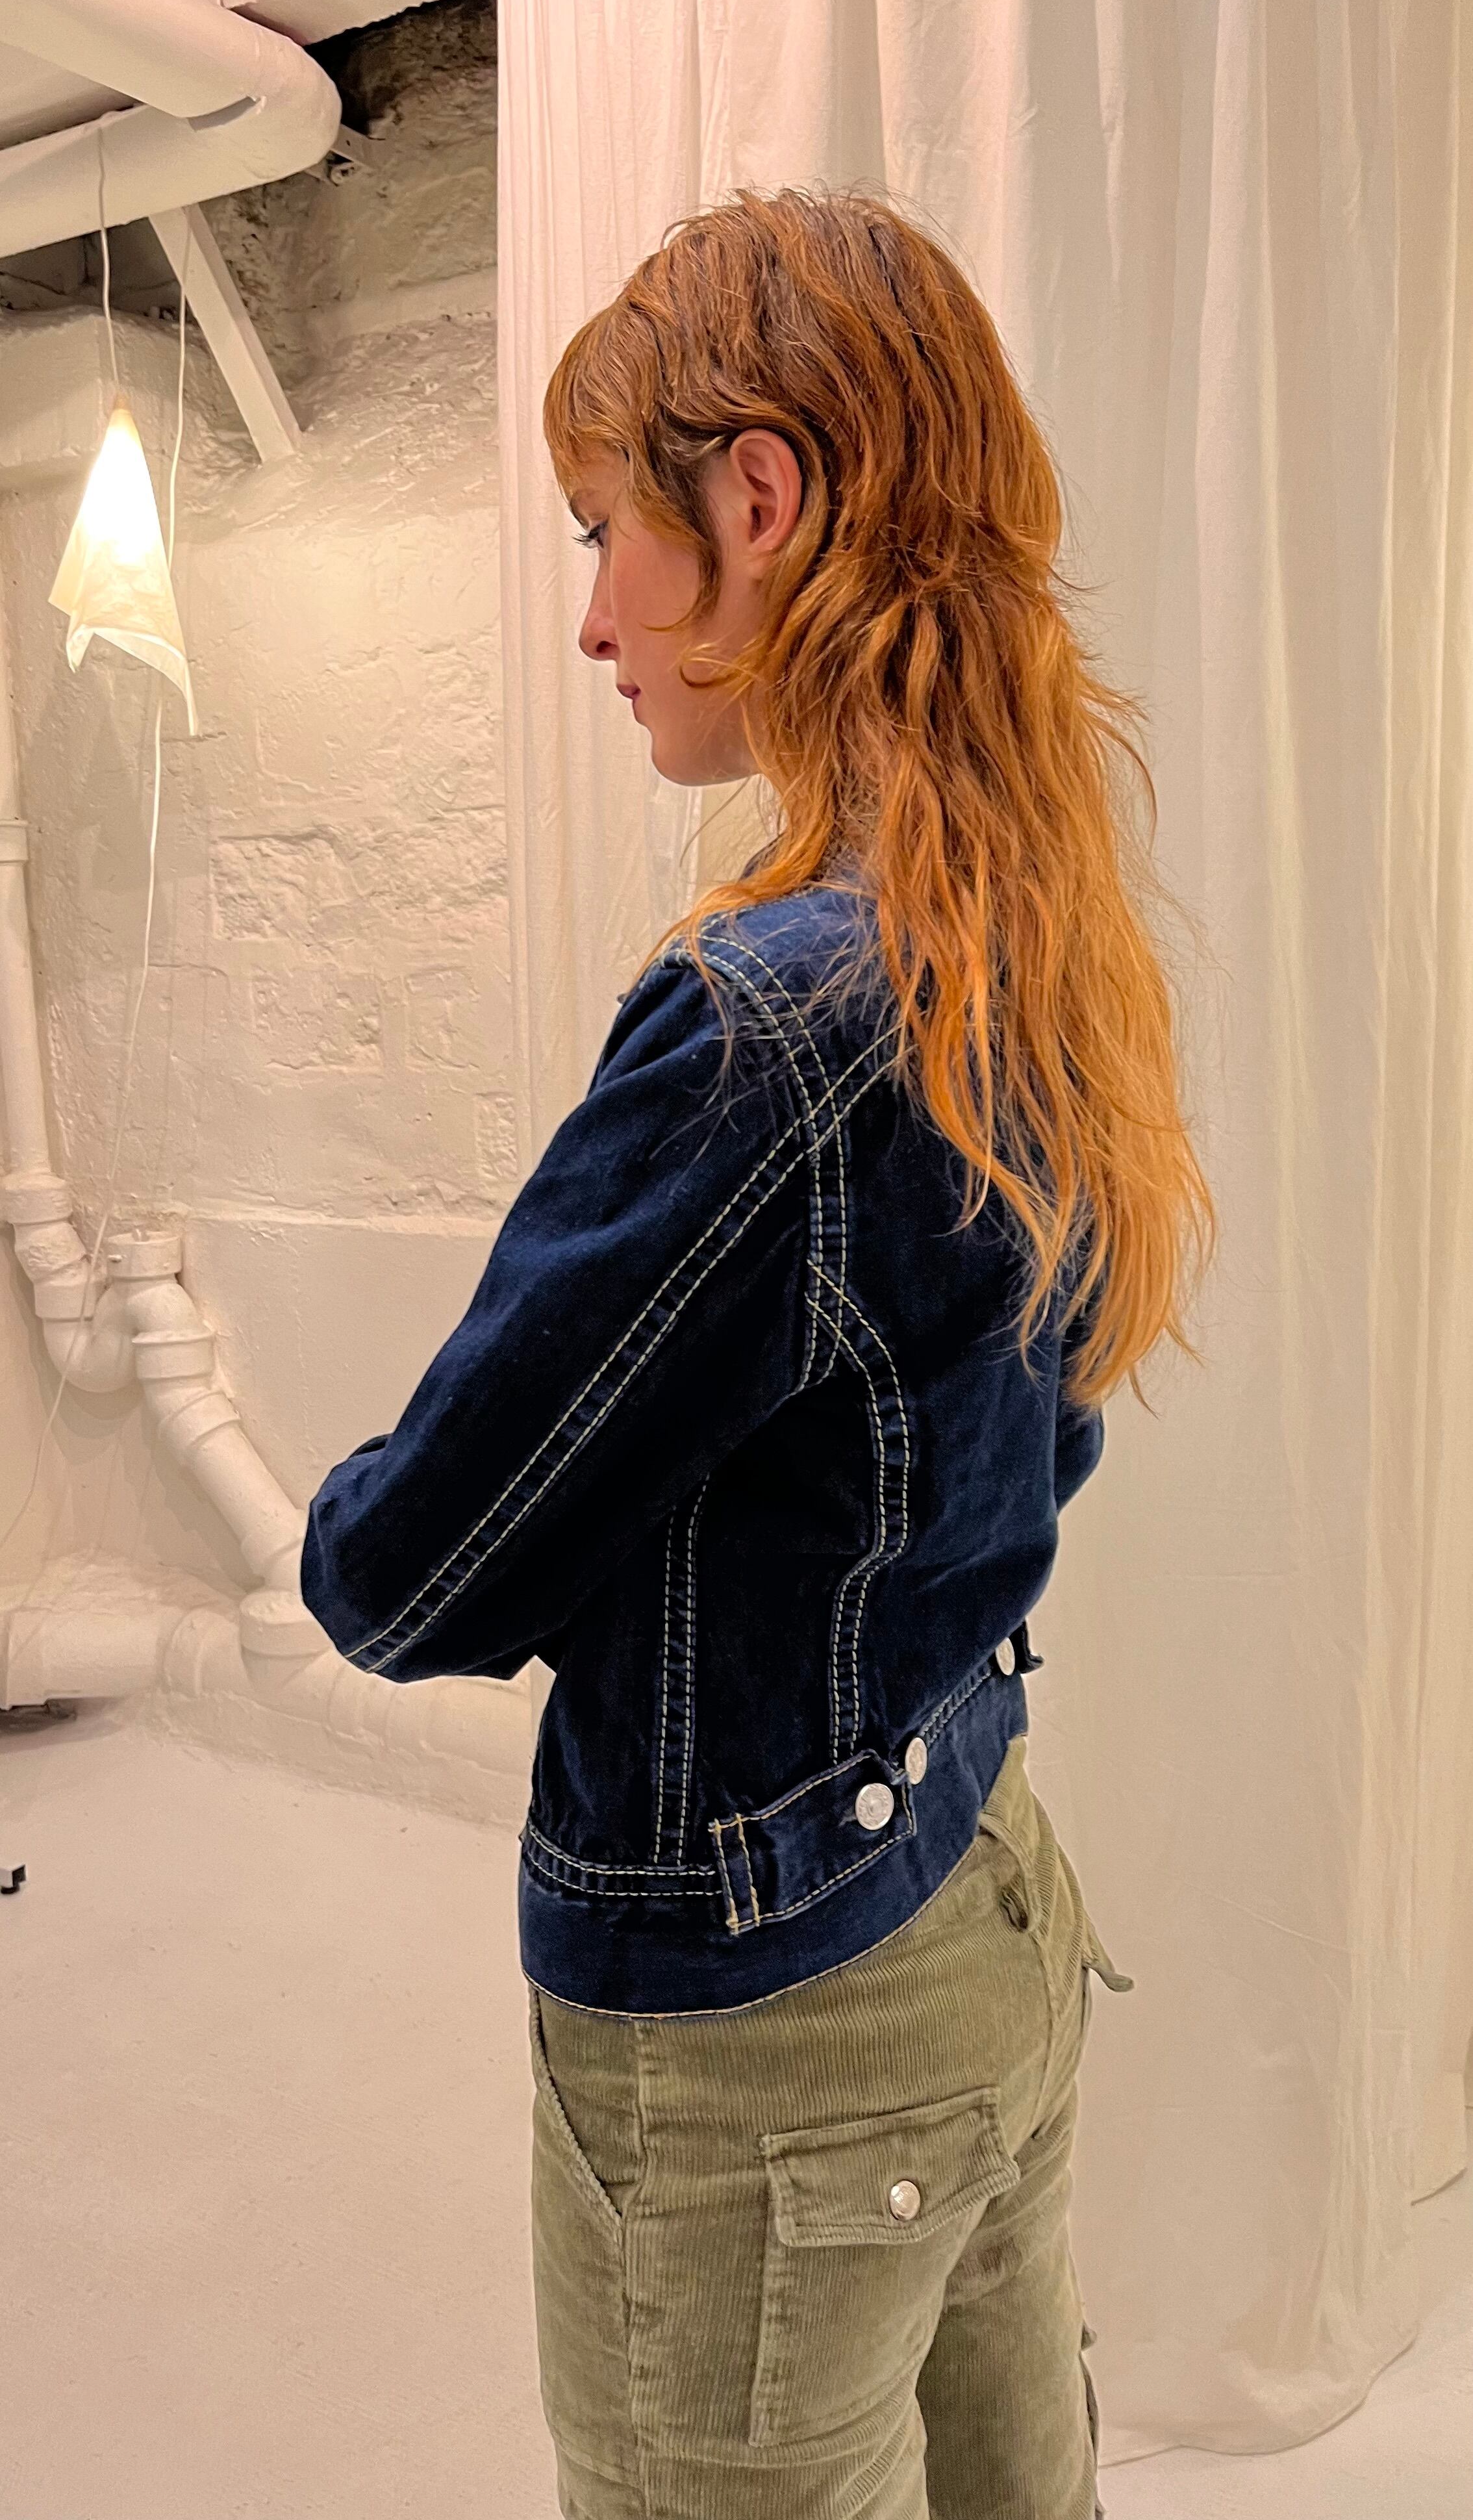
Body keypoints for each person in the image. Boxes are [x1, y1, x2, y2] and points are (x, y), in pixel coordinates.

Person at [299, 186, 1215, 2520]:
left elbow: (415, 1582)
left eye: (604, 532)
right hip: (983, 1896)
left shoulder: (772, 1020)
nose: (593, 620)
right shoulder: (1020, 932)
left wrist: (340, 1512)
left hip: (771, 2042)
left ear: (763, 500)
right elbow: (1025, 1446)